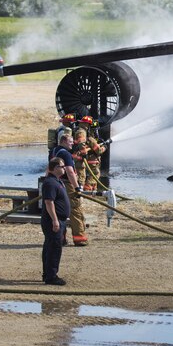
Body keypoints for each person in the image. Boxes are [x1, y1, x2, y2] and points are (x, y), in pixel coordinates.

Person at [50, 131, 89, 246]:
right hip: (67, 185)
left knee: (59, 211)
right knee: (75, 210)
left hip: (56, 183)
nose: (72, 145)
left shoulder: (54, 151)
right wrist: (77, 188)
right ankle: (80, 239)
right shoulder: (66, 154)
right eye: (70, 143)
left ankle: (60, 239)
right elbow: (70, 172)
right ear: (63, 141)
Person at [40, 157, 69, 285]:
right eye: (62, 166)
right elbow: (48, 202)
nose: (64, 168)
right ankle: (51, 276)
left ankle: (48, 273)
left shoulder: (57, 181)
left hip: (59, 220)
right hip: (53, 222)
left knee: (50, 247)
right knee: (54, 248)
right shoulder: (50, 183)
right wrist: (55, 221)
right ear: (54, 168)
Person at [76, 116, 106, 192]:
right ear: (87, 125)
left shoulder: (79, 132)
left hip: (81, 158)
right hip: (87, 159)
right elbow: (98, 151)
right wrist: (104, 147)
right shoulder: (87, 136)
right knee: (94, 174)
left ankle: (86, 190)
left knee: (81, 175)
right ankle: (86, 190)